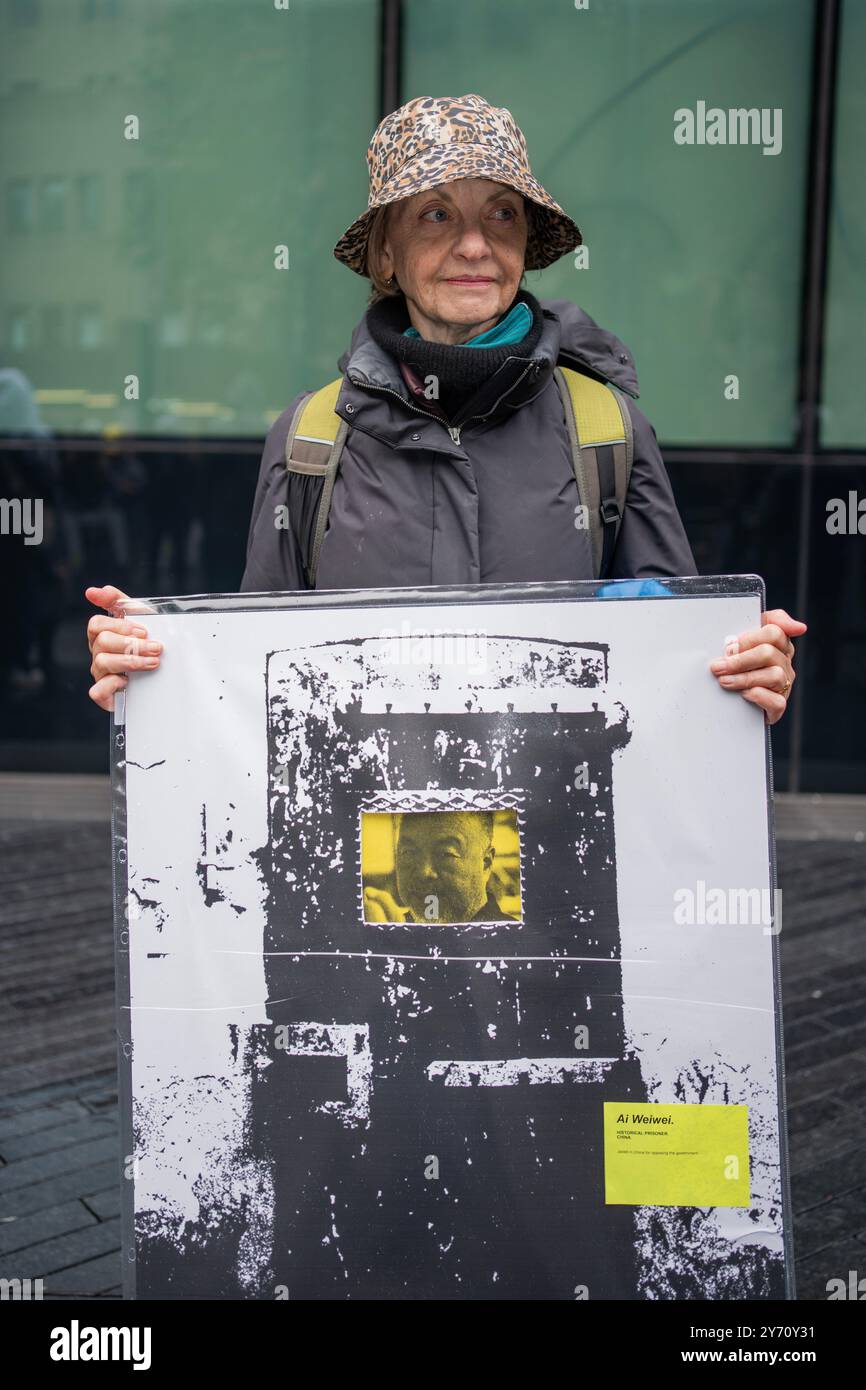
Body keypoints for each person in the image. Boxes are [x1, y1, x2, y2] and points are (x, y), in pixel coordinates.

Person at [86, 93, 805, 719]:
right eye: (435, 214)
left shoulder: (606, 432)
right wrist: (153, 662)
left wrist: (744, 671)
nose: (474, 245)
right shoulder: (311, 439)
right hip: (367, 855)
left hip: (558, 855)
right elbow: (252, 678)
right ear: (386, 256)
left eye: (501, 214)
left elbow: (676, 662)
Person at [363, 810, 519, 924]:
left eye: (446, 854)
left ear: (486, 863)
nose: (424, 873)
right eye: (408, 852)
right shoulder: (389, 927)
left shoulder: (513, 942)